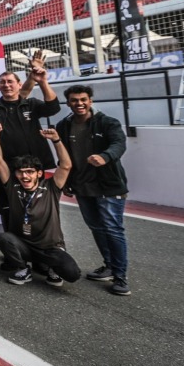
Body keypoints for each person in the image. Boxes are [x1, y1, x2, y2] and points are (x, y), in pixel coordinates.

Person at [0, 55, 61, 240]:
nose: (7, 85)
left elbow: (53, 107)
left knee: (38, 207)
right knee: (7, 209)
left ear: (19, 85)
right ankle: (13, 249)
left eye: (10, 82)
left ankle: (42, 245)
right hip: (3, 169)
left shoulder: (31, 104)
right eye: (3, 82)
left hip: (31, 168)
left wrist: (42, 82)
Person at [54, 85, 132, 295]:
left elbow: (119, 144)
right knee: (96, 228)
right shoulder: (63, 125)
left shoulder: (107, 122)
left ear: (90, 100)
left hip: (109, 185)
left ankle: (120, 276)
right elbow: (64, 156)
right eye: (74, 100)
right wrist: (67, 180)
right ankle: (109, 265)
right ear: (68, 103)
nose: (79, 104)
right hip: (83, 186)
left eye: (83, 99)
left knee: (113, 229)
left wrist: (105, 156)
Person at [0, 123, 81, 287]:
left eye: (30, 172)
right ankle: (23, 268)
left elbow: (66, 165)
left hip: (50, 248)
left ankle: (52, 267)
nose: (25, 176)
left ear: (39, 173)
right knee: (3, 238)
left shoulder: (51, 187)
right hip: (24, 246)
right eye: (20, 172)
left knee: (72, 274)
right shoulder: (13, 186)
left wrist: (56, 140)